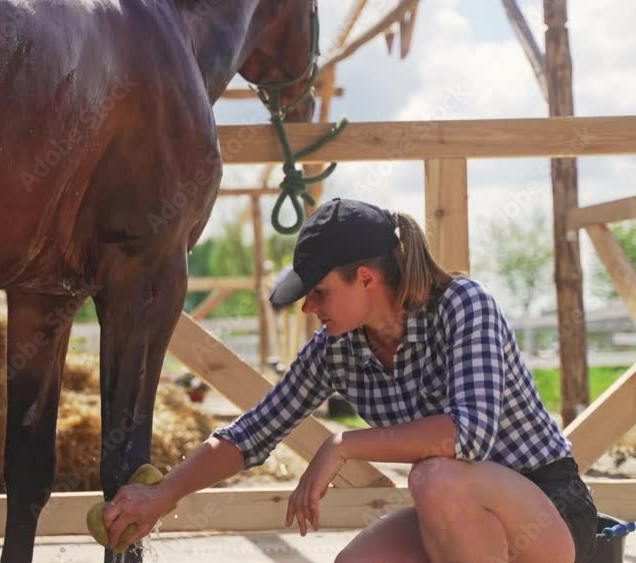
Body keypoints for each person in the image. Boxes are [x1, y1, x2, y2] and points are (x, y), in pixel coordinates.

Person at [101, 198, 598, 563]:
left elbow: (468, 437)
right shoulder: (338, 347)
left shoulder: (463, 304)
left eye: (318, 292)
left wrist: (344, 444)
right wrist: (161, 496)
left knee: (436, 477)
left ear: (365, 279)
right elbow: (252, 432)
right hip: (460, 519)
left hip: (549, 511)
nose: (308, 307)